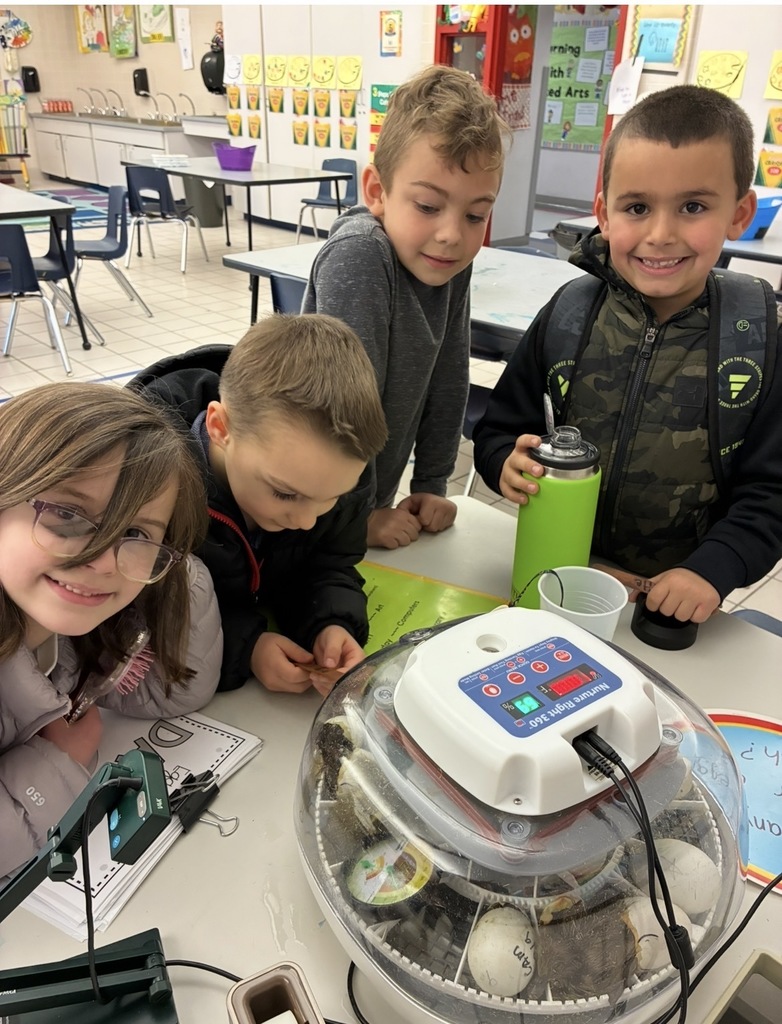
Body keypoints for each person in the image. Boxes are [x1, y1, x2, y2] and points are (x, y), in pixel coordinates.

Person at [474, 85, 782, 624]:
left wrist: (713, 570)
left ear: (739, 213)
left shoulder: (759, 339)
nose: (660, 234)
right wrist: (505, 462)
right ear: (604, 213)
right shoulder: (569, 313)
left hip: (668, 603)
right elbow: (501, 428)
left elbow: (772, 494)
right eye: (637, 207)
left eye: (693, 207)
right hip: (554, 578)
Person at [0, 382, 222, 879]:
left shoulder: (67, 629)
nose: (102, 561)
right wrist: (58, 761)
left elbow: (172, 693)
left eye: (135, 532)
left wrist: (166, 581)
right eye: (67, 514)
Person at [302, 64, 510, 550]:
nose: (452, 234)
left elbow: (448, 379)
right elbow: (345, 408)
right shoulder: (360, 255)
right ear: (378, 192)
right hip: (313, 506)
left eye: (476, 214)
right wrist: (358, 517)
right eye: (428, 206)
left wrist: (431, 484)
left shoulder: (450, 263)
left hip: (364, 502)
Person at [130, 313, 388, 696]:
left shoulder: (335, 467)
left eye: (331, 498)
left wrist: (330, 623)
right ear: (220, 428)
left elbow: (329, 565)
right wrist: (246, 646)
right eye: (285, 494)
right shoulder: (146, 486)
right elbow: (140, 607)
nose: (306, 520)